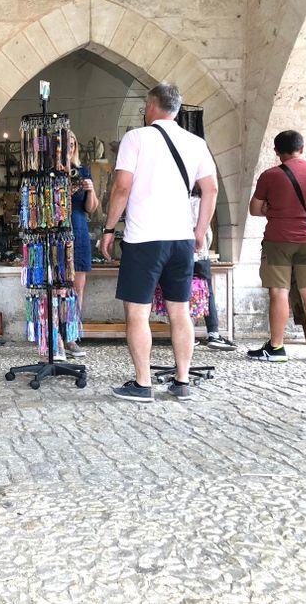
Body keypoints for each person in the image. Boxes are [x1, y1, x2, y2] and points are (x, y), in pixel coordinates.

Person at [99, 83, 218, 403]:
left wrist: (108, 229)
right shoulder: (195, 142)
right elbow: (211, 189)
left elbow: (122, 187)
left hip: (144, 239)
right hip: (181, 239)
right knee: (180, 313)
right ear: (176, 109)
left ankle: (142, 383)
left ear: (151, 106)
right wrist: (199, 230)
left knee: (137, 313)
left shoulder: (136, 138)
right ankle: (181, 381)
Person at [247, 130, 306, 363]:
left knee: (279, 292)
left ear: (276, 152)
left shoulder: (270, 175)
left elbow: (255, 209)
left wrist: (272, 209)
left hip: (278, 240)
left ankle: (277, 347)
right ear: (301, 149)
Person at [63, 130, 98, 358]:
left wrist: (91, 190)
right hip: (58, 231)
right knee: (58, 285)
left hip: (79, 228)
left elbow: (90, 208)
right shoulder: (51, 173)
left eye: (74, 142)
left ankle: (72, 336)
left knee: (78, 286)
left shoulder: (83, 171)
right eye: (67, 142)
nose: (71, 146)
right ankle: (56, 334)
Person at [189, 186, 237, 351]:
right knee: (206, 293)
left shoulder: (177, 202)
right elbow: (206, 233)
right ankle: (213, 333)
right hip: (200, 256)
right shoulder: (202, 203)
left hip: (179, 255)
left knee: (181, 294)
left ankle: (187, 334)